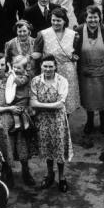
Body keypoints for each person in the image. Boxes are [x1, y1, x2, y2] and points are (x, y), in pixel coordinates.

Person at [30, 54, 74, 191]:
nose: (48, 69)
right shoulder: (36, 81)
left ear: (55, 67)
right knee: (47, 147)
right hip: (42, 120)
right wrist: (49, 105)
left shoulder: (62, 81)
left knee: (59, 148)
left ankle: (61, 177)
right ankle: (50, 174)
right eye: (45, 66)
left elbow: (60, 105)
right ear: (41, 67)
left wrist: (40, 105)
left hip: (58, 120)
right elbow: (32, 102)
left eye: (50, 66)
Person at [74, 4, 104, 133]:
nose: (93, 20)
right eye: (90, 17)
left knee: (103, 97)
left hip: (103, 71)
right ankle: (90, 121)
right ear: (85, 18)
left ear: (100, 18)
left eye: (95, 17)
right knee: (88, 98)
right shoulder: (78, 30)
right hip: (85, 71)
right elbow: (74, 49)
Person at [33, 7, 80, 116]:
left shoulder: (73, 35)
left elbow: (77, 53)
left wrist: (74, 57)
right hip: (49, 71)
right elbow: (37, 54)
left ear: (64, 21)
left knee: (66, 100)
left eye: (58, 20)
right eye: (53, 20)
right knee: (49, 99)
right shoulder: (43, 34)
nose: (55, 23)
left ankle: (65, 125)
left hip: (68, 72)